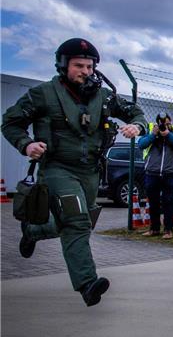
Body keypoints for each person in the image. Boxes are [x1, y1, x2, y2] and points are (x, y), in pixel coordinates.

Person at [2, 37, 146, 306]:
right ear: (63, 65)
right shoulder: (43, 94)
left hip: (90, 171)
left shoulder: (103, 97)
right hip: (57, 168)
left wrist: (137, 126)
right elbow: (10, 122)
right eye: (79, 65)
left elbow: (136, 113)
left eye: (90, 67)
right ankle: (87, 284)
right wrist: (26, 144)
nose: (86, 71)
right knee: (77, 221)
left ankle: (32, 231)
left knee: (76, 222)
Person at [137, 112, 173, 239]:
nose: (165, 125)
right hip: (152, 173)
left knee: (168, 201)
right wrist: (153, 134)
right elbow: (141, 144)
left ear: (171, 122)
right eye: (163, 123)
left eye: (168, 123)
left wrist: (168, 135)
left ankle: (168, 230)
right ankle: (154, 229)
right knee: (153, 202)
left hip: (169, 173)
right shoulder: (151, 131)